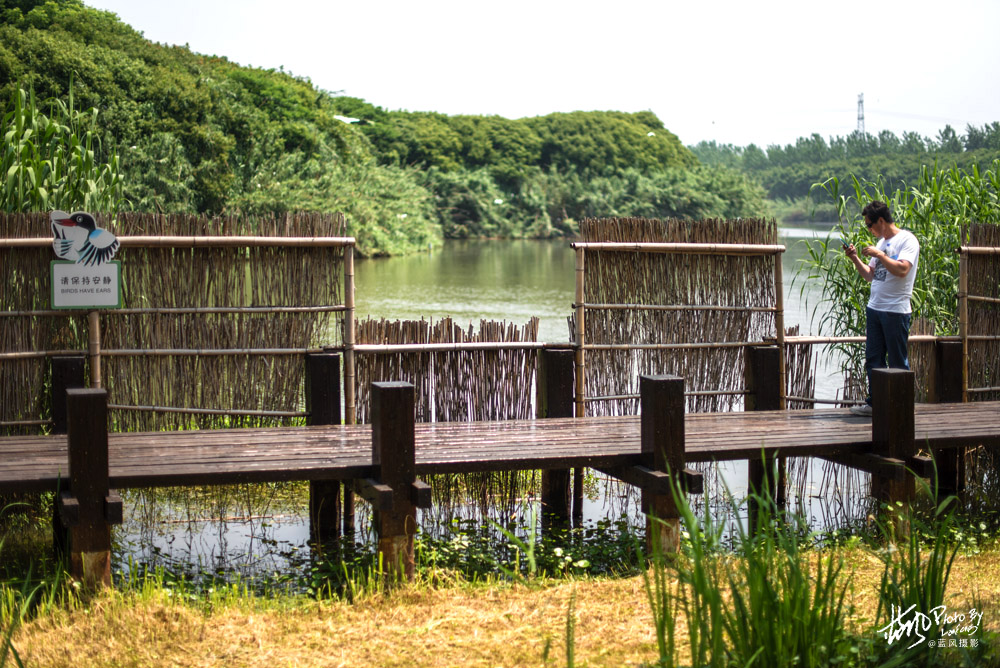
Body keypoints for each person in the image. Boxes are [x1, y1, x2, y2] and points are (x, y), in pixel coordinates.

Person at [843, 200, 920, 417]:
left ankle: (901, 408)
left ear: (881, 221)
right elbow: (870, 276)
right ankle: (875, 404)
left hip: (896, 310)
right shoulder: (881, 243)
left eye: (869, 225)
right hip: (874, 308)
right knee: (874, 359)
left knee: (897, 361)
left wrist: (880, 255)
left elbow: (903, 269)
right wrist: (855, 258)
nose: (869, 229)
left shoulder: (907, 240)